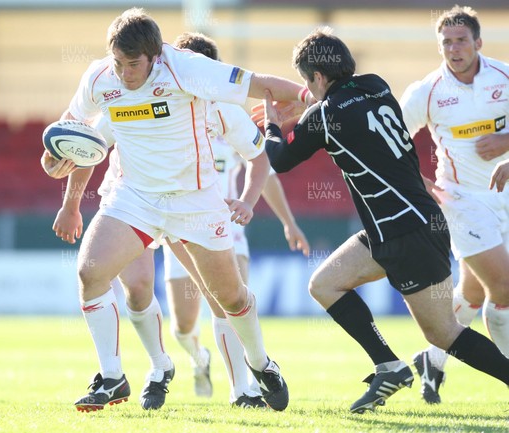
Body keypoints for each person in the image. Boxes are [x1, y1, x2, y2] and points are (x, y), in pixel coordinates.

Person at [41, 8, 309, 412]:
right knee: (90, 273)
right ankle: (113, 377)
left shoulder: (186, 69)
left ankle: (261, 364)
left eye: (134, 65)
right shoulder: (100, 78)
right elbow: (73, 132)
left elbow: (260, 83)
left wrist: (310, 97)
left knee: (231, 298)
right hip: (136, 198)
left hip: (195, 201)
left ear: (155, 56)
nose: (126, 74)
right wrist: (53, 158)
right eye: (119, 63)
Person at [261, 27, 509, 414]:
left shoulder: (326, 116)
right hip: (402, 225)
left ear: (318, 78)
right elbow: (339, 104)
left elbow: (279, 160)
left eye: (306, 80)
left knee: (444, 334)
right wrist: (309, 99)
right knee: (324, 284)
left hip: (404, 234)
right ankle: (389, 366)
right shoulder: (376, 85)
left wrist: (272, 124)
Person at [162, 32, 309, 407]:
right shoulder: (164, 113)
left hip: (226, 226)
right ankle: (199, 357)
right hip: (177, 228)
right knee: (181, 326)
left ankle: (241, 387)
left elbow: (264, 169)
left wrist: (284, 221)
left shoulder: (228, 112)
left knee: (230, 302)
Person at [399, 5, 509, 404]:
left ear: (478, 42)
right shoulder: (427, 91)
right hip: (460, 200)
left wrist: (507, 145)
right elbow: (389, 138)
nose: (454, 48)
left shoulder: (504, 77)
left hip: (504, 197)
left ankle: (431, 360)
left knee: (475, 294)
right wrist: (422, 183)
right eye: (446, 42)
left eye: (461, 40)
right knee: (505, 286)